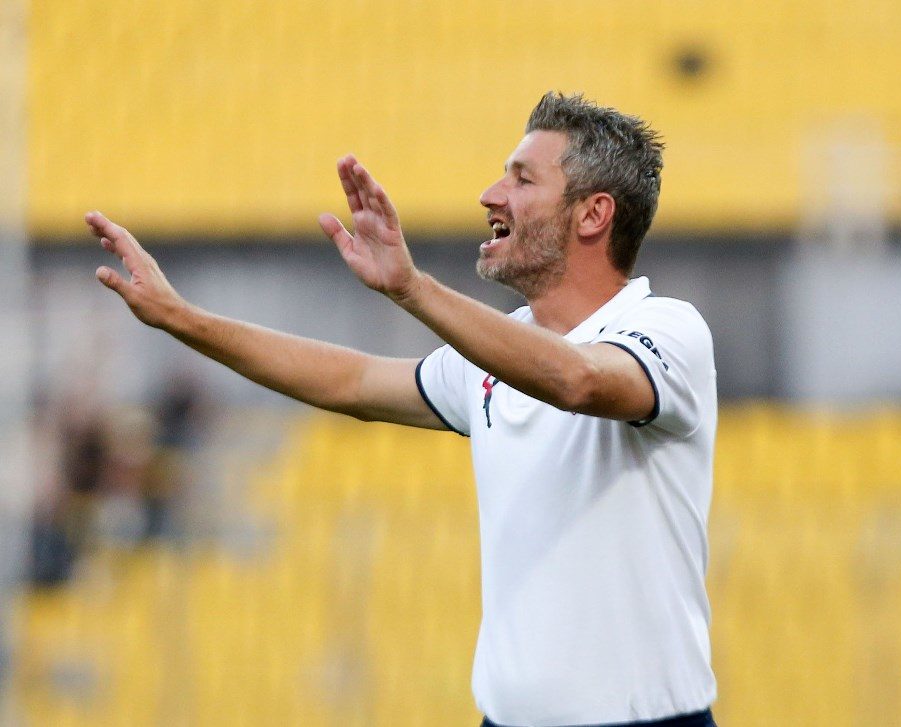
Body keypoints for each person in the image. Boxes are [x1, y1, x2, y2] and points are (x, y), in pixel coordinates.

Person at [86, 92, 719, 727]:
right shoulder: (490, 359)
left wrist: (412, 289)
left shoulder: (666, 330)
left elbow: (578, 380)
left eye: (522, 179)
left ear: (593, 214)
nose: (491, 195)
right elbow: (352, 381)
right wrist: (182, 319)